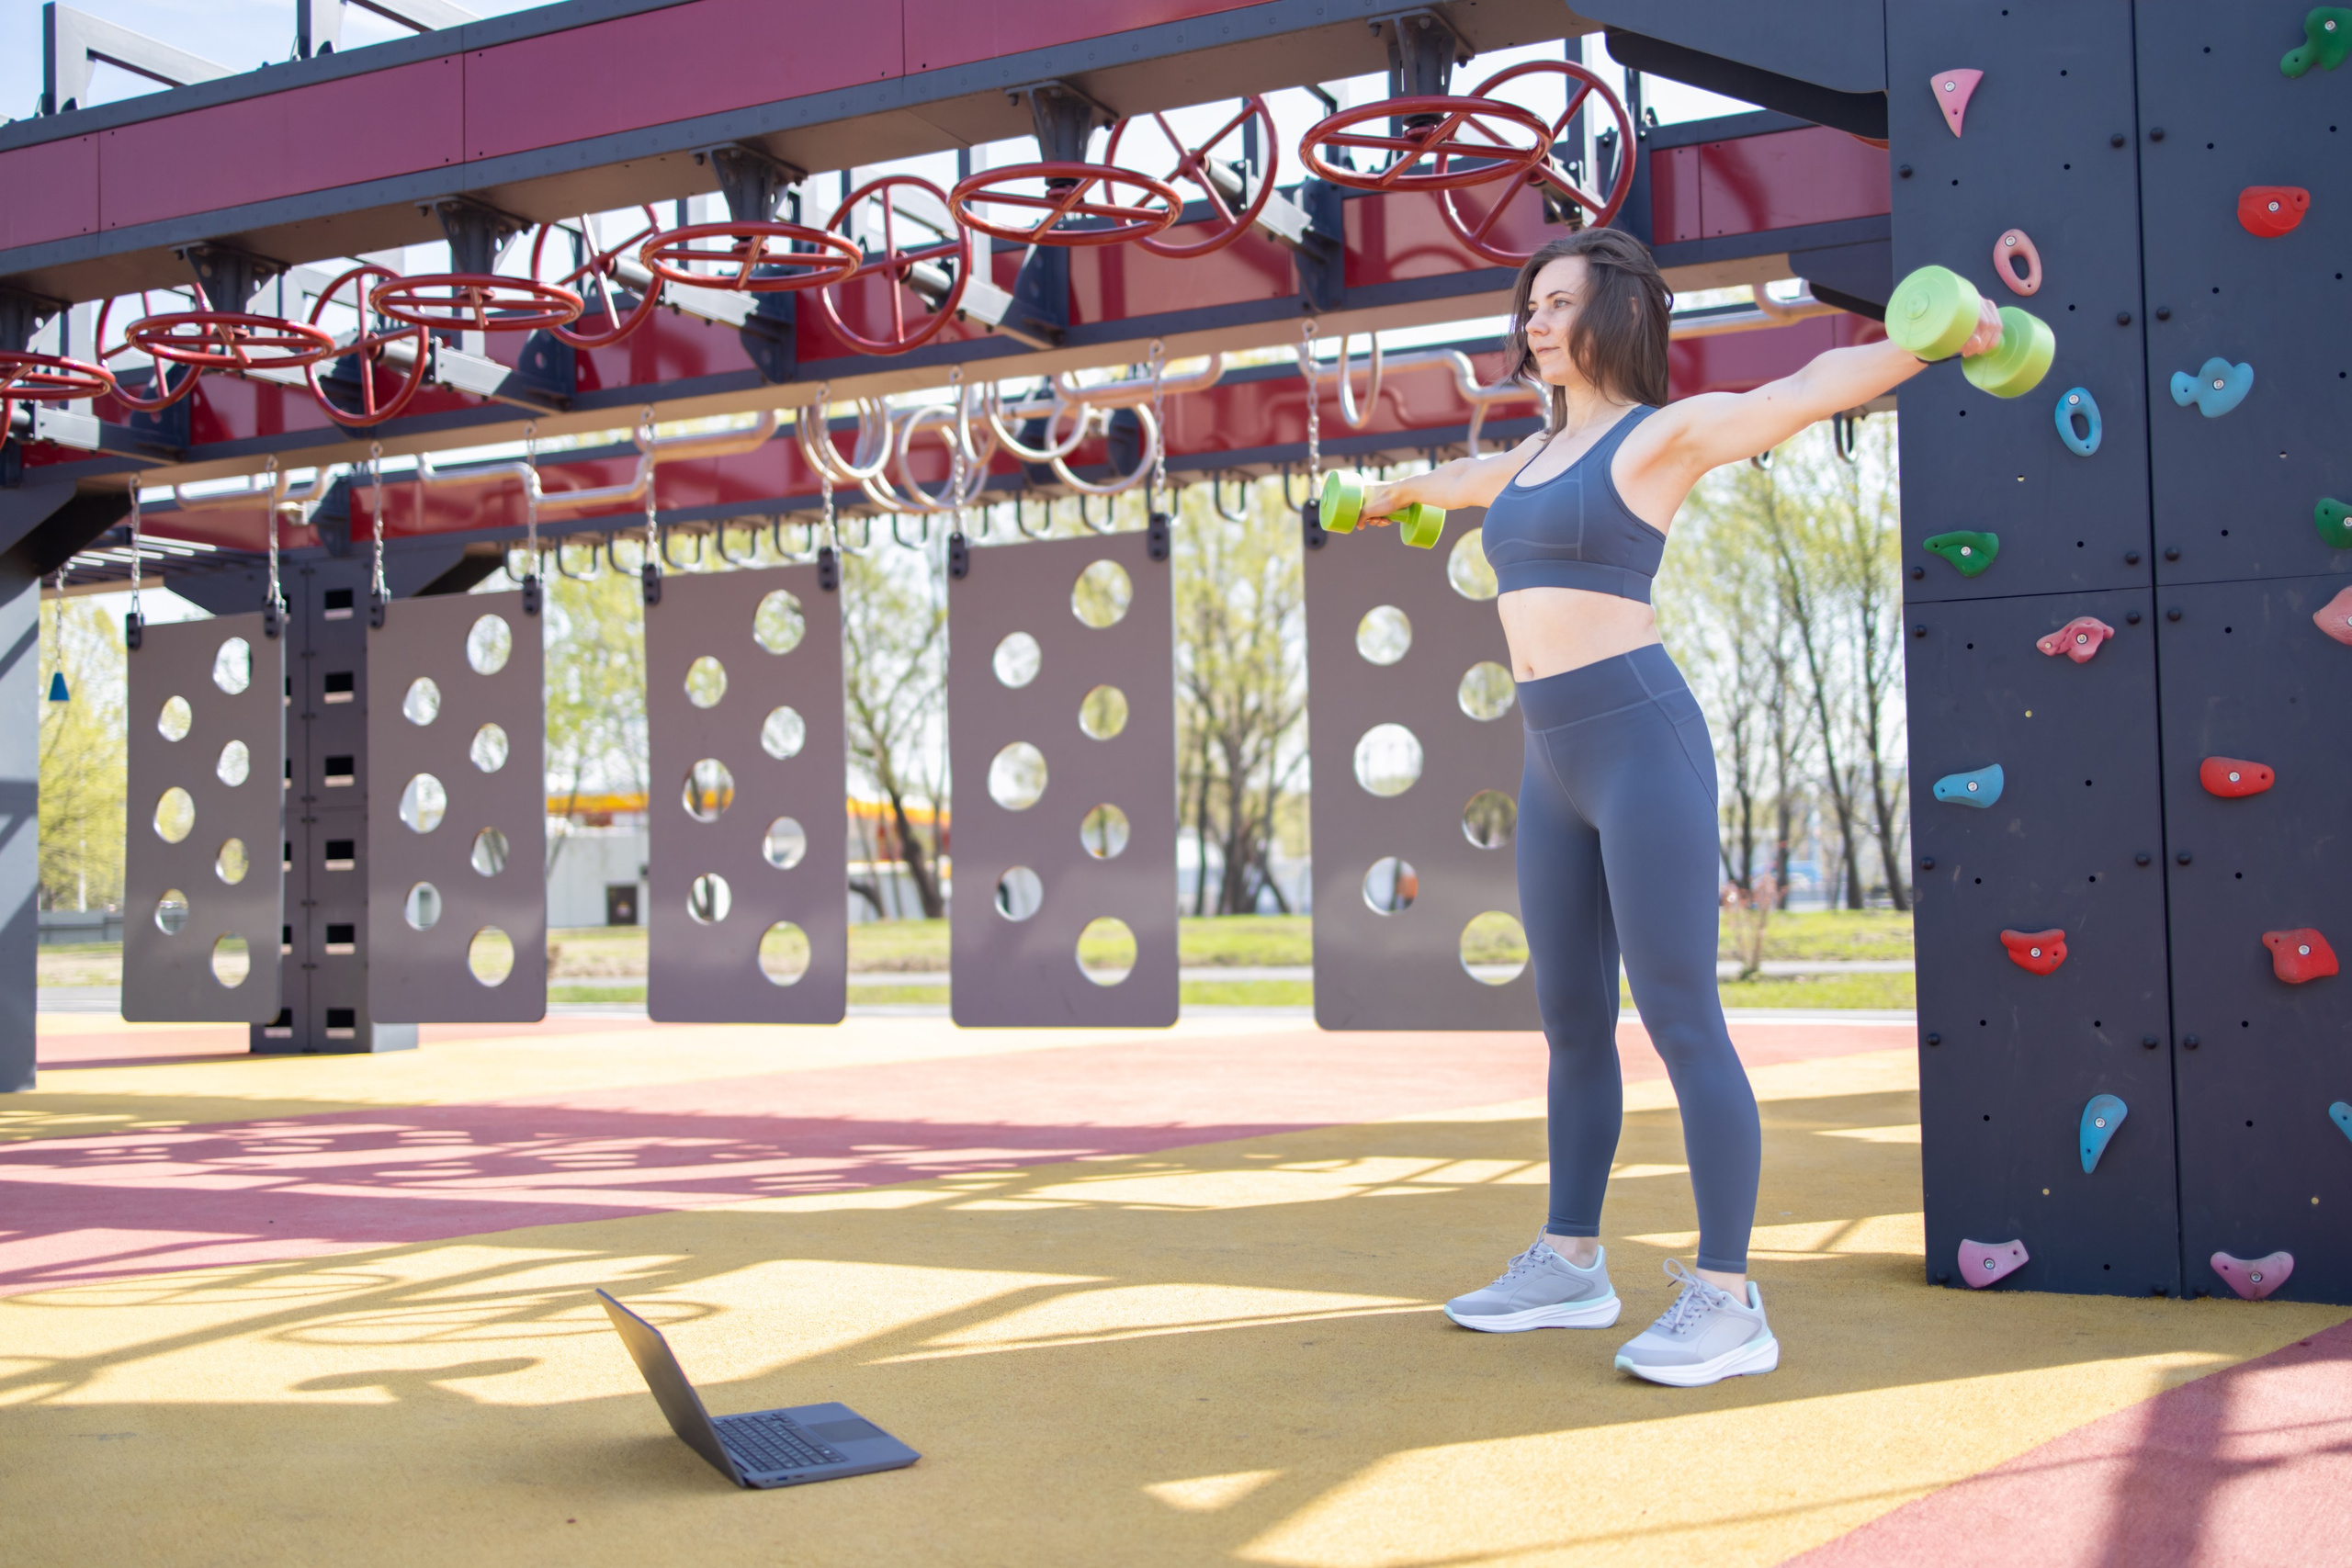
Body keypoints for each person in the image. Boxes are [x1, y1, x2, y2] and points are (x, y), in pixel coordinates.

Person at [1351, 228, 2001, 1388]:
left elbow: (1801, 390)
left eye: (1556, 304)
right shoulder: (1535, 453)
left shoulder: (1659, 439)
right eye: (1529, 308)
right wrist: (1397, 491)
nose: (1534, 323)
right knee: (1566, 1025)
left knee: (1681, 1017)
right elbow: (1461, 486)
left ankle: (1728, 1295)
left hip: (1640, 742)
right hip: (1548, 757)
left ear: (1615, 316)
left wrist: (1930, 340)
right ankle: (1568, 1261)